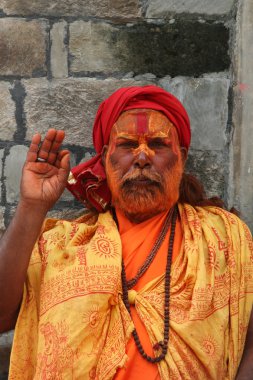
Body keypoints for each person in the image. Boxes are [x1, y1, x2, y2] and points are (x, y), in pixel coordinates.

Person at [0, 85, 252, 380]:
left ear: (181, 158)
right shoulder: (63, 245)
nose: (142, 157)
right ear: (106, 158)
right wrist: (32, 206)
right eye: (127, 144)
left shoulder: (221, 237)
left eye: (157, 144)